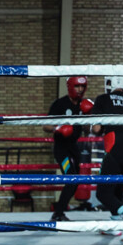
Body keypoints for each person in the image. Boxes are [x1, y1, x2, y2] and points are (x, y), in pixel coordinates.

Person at [90, 75, 123, 241]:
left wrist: (89, 117)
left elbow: (96, 129)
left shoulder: (103, 98)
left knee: (102, 193)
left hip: (114, 146)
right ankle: (115, 225)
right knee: (116, 190)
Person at [44, 76, 94, 221]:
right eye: (77, 87)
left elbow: (86, 131)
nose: (80, 90)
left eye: (82, 87)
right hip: (61, 149)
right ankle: (58, 212)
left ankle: (59, 211)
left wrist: (87, 115)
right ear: (71, 87)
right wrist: (59, 128)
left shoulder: (83, 105)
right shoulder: (60, 104)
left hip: (74, 148)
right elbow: (45, 125)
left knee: (75, 181)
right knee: (70, 176)